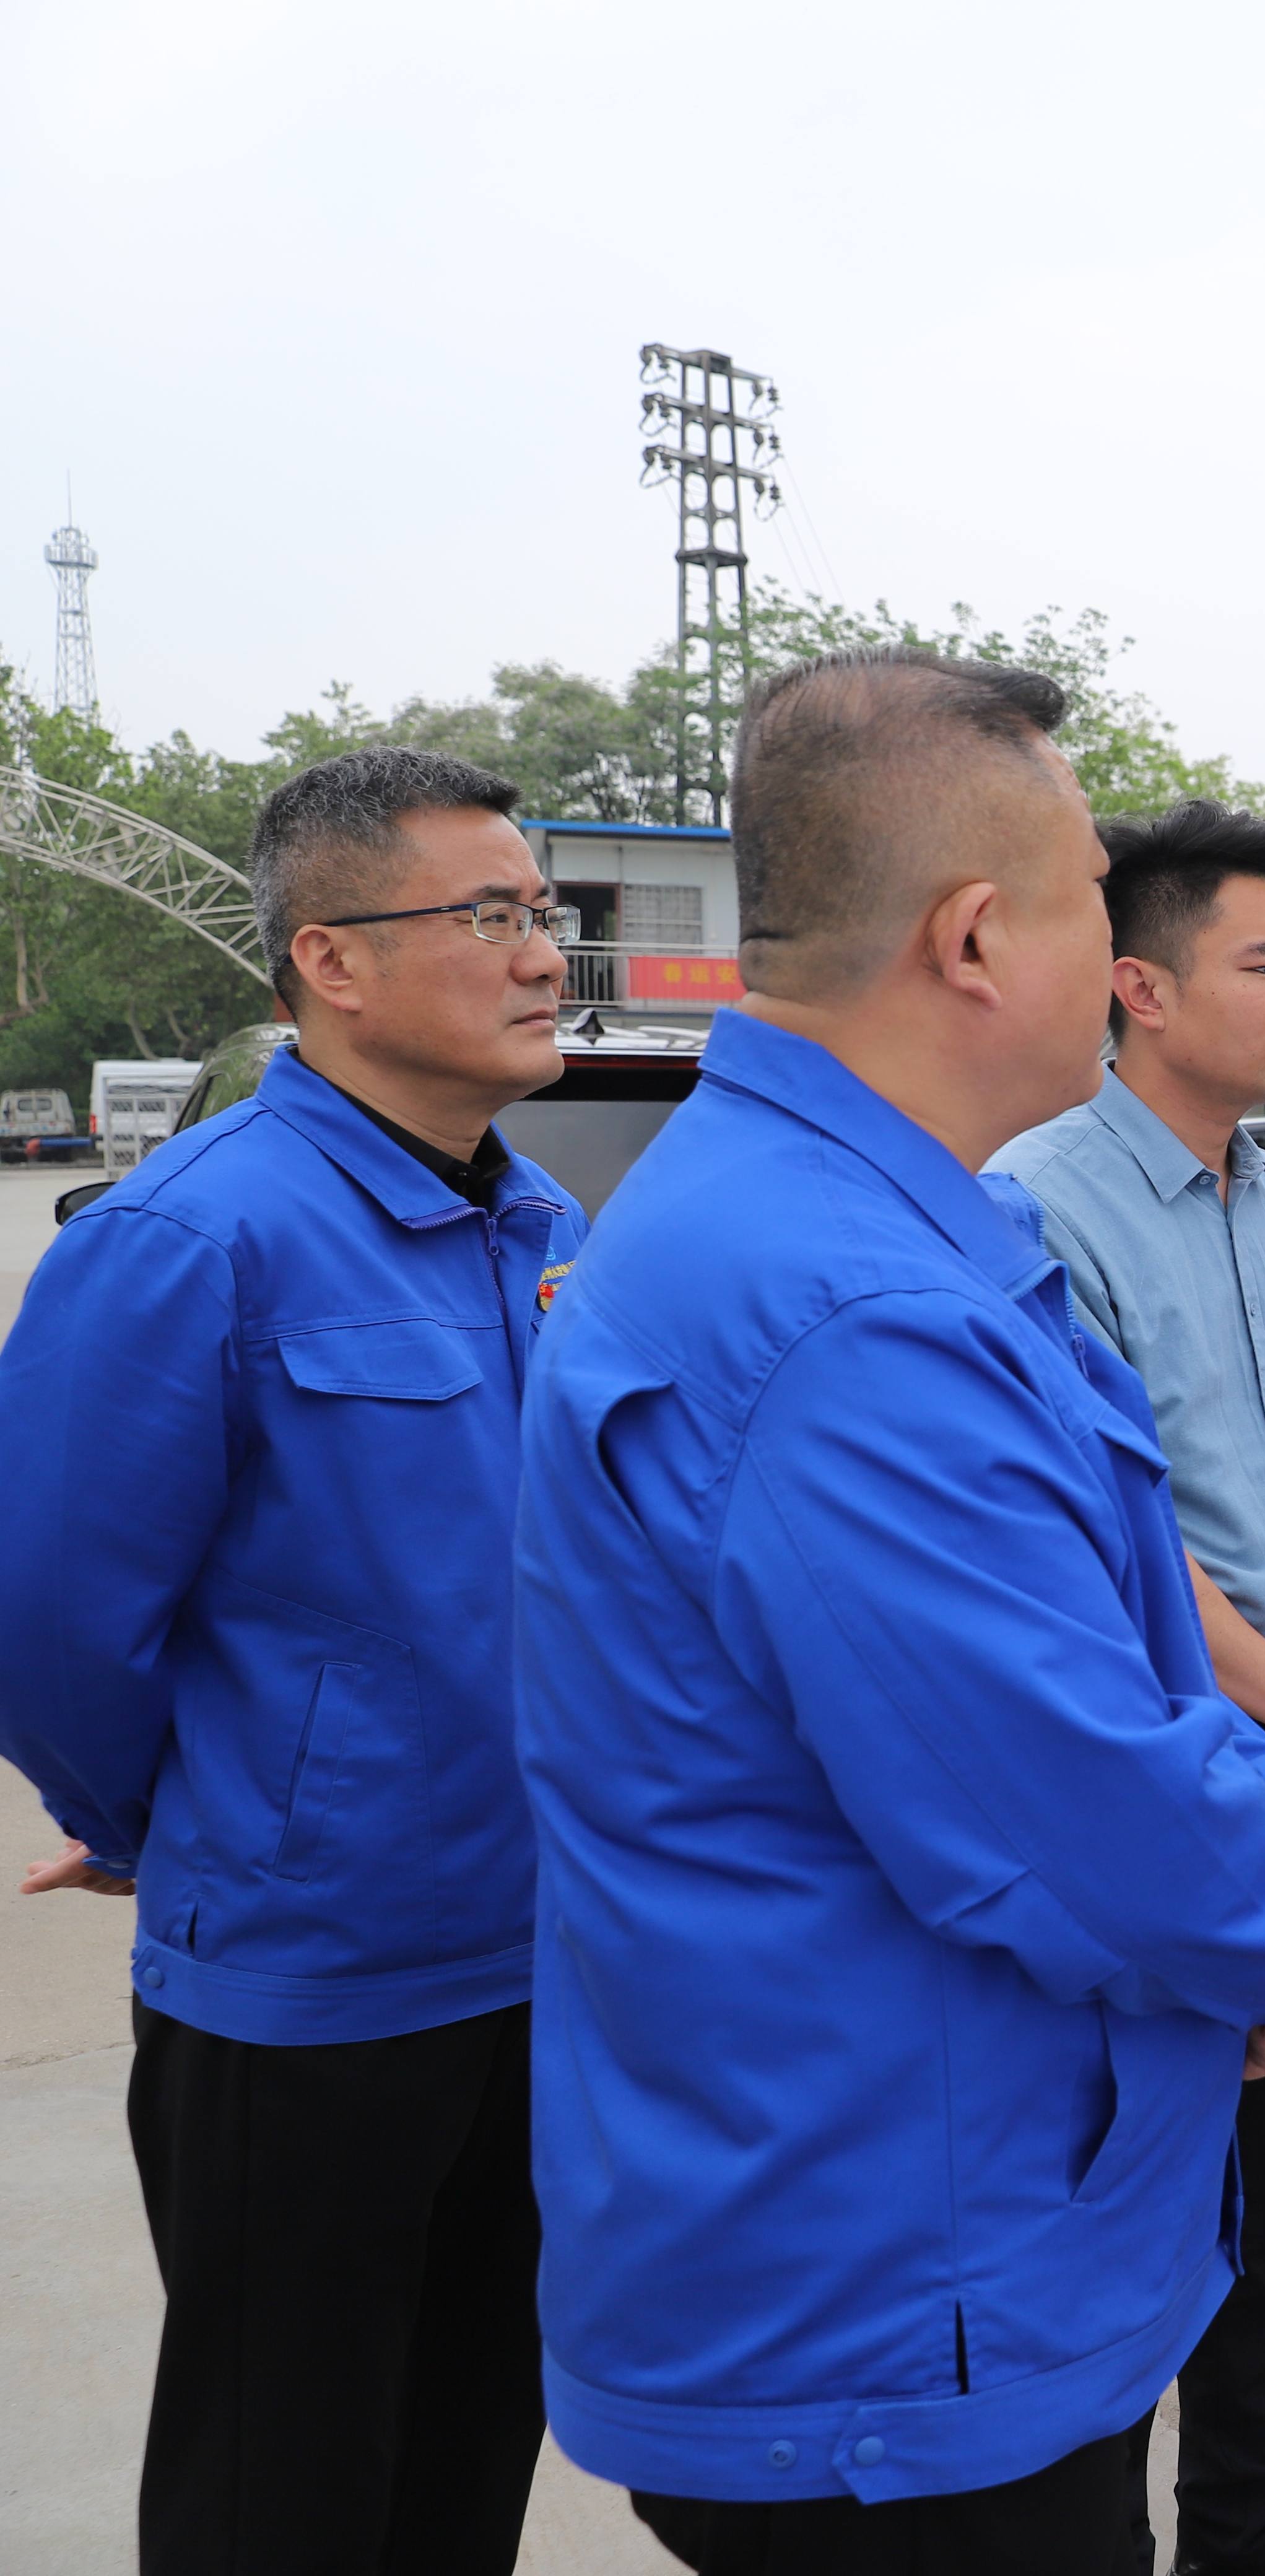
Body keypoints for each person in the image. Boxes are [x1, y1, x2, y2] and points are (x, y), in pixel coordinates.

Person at [512, 650, 1265, 2575]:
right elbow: (1074, 1809)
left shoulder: (865, 1222)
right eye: (1091, 905)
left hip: (900, 2216)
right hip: (903, 2300)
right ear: (979, 937)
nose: (1117, 954)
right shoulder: (851, 1314)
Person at [0, 747, 583, 2575]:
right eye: (488, 915)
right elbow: (51, 1614)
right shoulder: (192, 1238)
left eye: (545, 911)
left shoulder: (544, 1227)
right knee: (283, 2491)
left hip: (545, 1968)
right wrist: (167, 1822)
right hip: (308, 1993)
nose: (544, 953)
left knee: (469, 2462)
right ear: (330, 960)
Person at [990, 799, 1265, 2576]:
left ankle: (1249, 2518)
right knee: (1149, 2170)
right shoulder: (1038, 1199)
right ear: (1142, 987)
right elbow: (1099, 1513)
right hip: (1194, 1727)